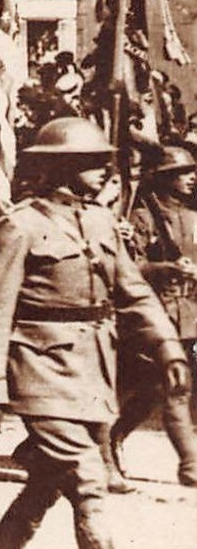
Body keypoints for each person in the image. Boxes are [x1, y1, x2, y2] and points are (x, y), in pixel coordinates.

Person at [0, 118, 190, 549]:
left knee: (44, 487)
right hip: (39, 368)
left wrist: (167, 345)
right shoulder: (19, 226)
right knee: (89, 483)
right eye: (91, 160)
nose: (104, 167)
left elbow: (131, 291)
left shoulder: (102, 223)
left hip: (92, 371)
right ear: (59, 167)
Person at [117, 144, 197, 488]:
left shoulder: (193, 218)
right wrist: (164, 268)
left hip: (189, 312)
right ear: (163, 178)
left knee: (153, 389)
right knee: (174, 387)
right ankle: (191, 464)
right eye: (182, 173)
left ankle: (114, 436)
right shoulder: (142, 217)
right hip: (155, 313)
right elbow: (127, 270)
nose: (191, 178)